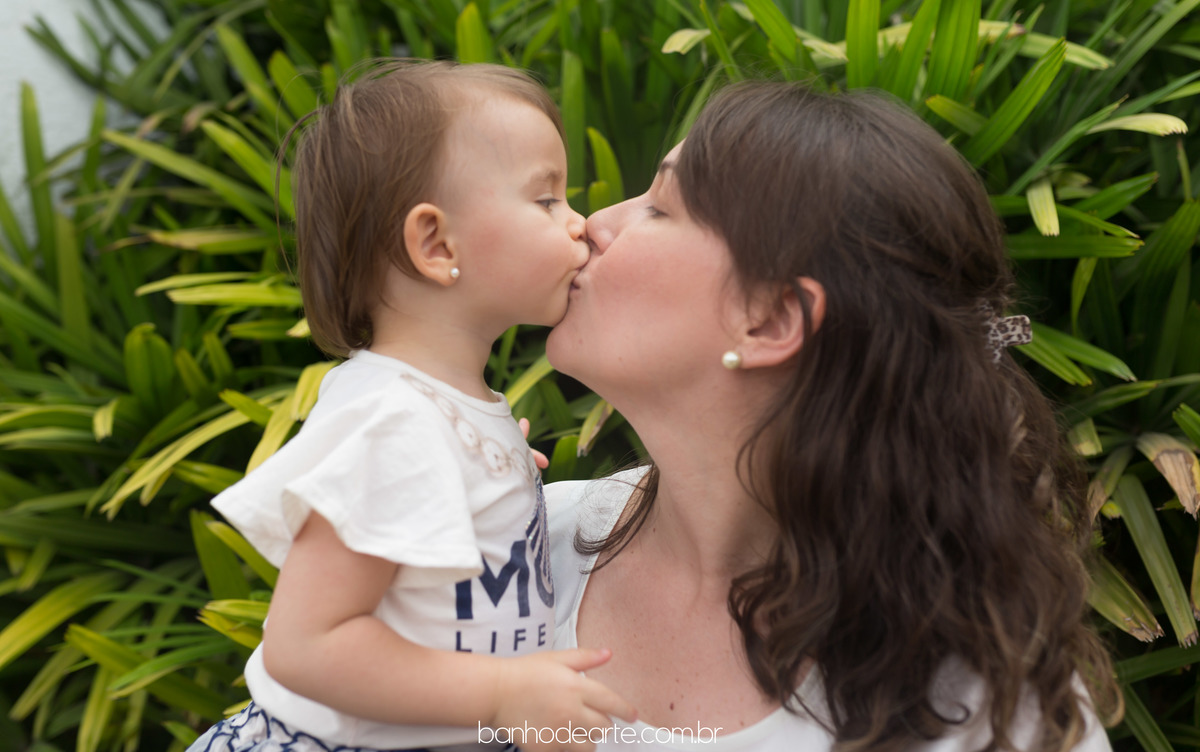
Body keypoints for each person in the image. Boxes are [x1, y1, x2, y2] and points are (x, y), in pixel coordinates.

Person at [544, 81, 1122, 751]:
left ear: (772, 319)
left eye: (659, 207)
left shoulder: (990, 712)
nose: (592, 223)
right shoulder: (513, 549)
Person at [190, 60, 635, 752]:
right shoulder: (395, 423)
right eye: (547, 199)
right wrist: (500, 694)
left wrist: (484, 470)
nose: (579, 224)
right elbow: (306, 645)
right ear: (435, 244)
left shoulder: (432, 415)